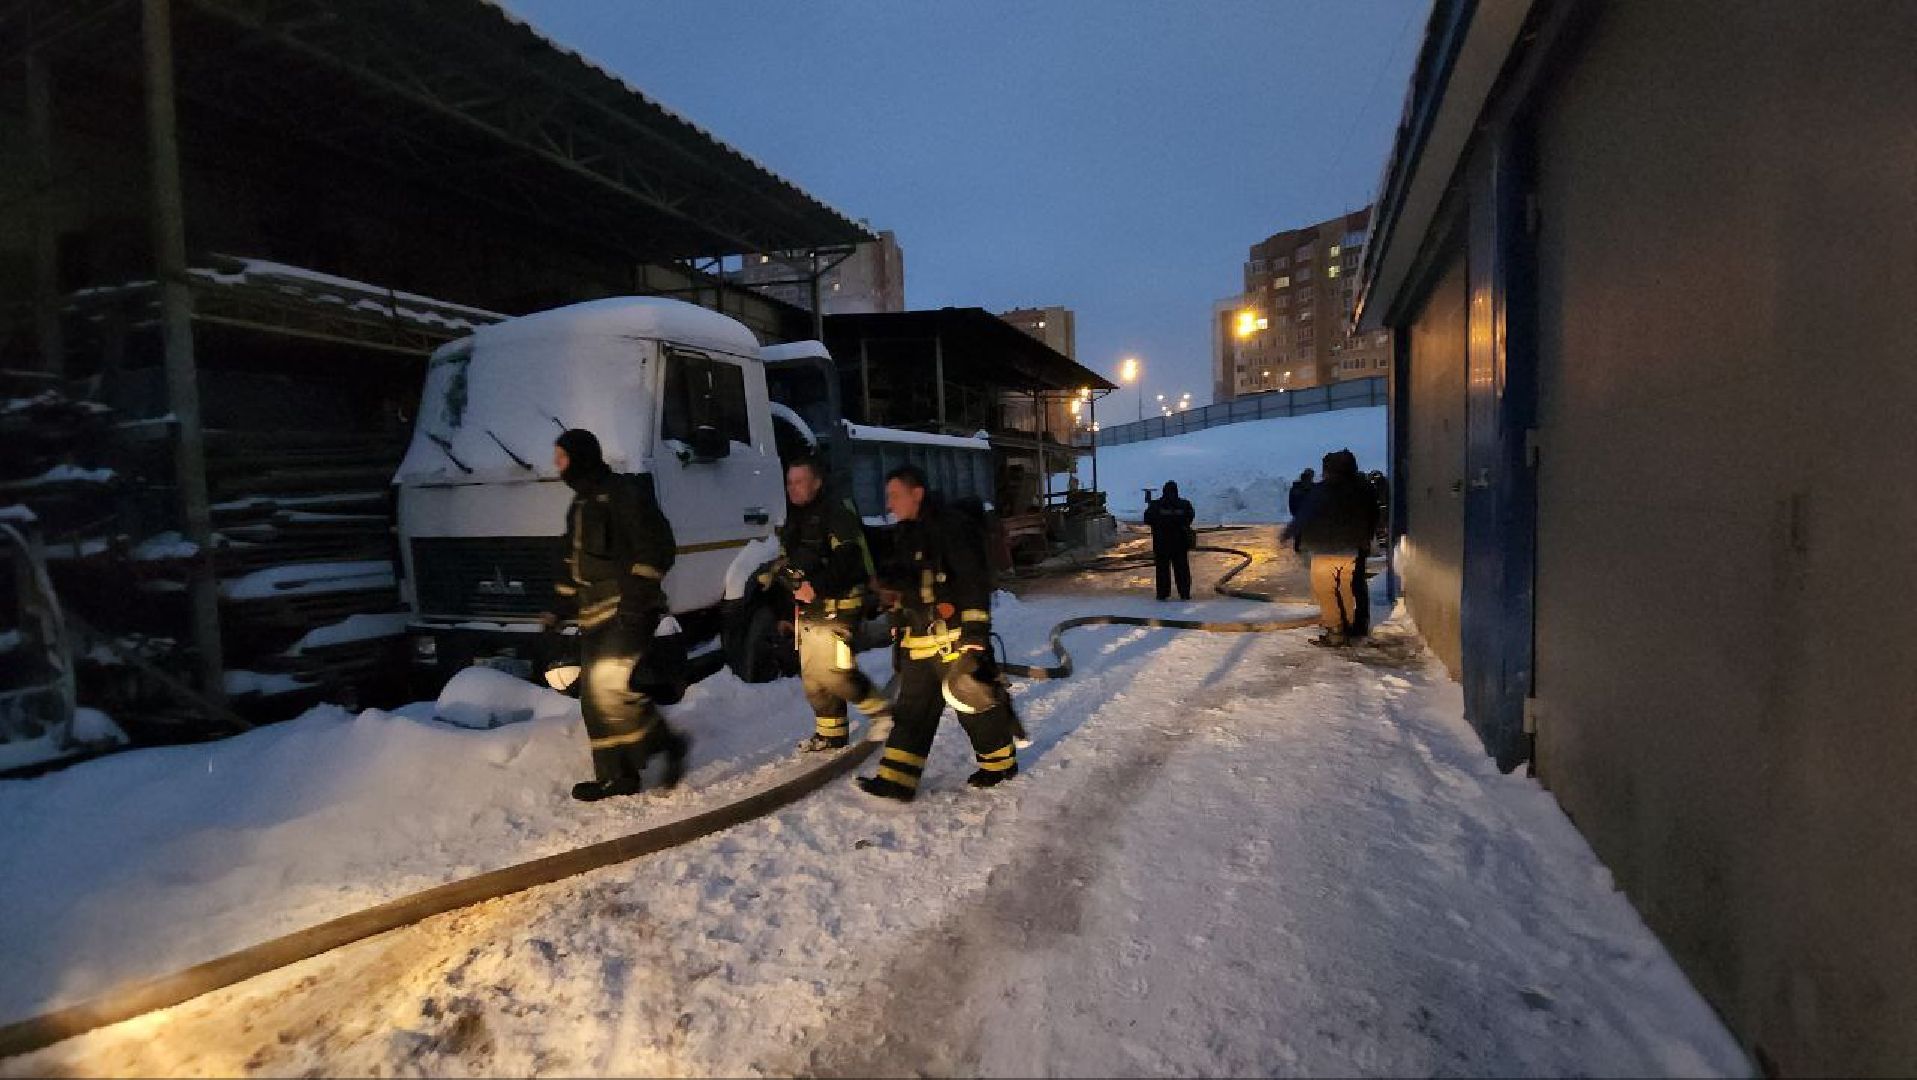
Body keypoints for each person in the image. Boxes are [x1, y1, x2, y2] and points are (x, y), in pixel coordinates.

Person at [857, 465, 1021, 803]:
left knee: (972, 704)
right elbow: (908, 578)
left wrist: (975, 635)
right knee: (912, 712)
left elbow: (973, 580)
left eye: (895, 495)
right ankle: (896, 780)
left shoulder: (952, 527)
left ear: (916, 494)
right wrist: (887, 590)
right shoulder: (906, 533)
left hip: (954, 639)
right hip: (917, 642)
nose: (890, 504)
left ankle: (1000, 764)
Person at [544, 428, 690, 801]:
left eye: (561, 457)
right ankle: (617, 777)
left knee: (610, 689)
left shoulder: (624, 493)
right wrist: (557, 610)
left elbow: (657, 549)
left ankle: (666, 744)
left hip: (626, 610)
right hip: (593, 616)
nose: (556, 465)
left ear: (580, 457)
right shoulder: (580, 504)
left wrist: (636, 605)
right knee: (593, 700)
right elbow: (570, 564)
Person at [776, 457, 893, 751]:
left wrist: (816, 587)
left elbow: (849, 560)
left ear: (816, 482)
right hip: (810, 609)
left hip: (838, 605)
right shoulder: (796, 519)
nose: (793, 488)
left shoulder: (836, 513)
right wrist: (786, 608)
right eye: (789, 483)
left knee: (835, 672)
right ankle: (832, 733)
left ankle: (882, 713)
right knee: (813, 679)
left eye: (799, 481)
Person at [1283, 448, 1379, 646]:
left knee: (1326, 590)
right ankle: (1351, 624)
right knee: (1347, 587)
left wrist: (1288, 534)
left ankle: (1335, 630)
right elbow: (1374, 516)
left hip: (1324, 550)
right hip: (1351, 549)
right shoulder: (1363, 489)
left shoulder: (1321, 490)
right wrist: (1365, 538)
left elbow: (1302, 513)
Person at [1142, 480, 1197, 601]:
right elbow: (1190, 517)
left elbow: (1147, 519)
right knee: (1182, 570)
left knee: (1162, 570)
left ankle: (1162, 593)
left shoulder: (1156, 505)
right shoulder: (1184, 504)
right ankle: (1184, 593)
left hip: (1161, 544)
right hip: (1180, 544)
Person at [1287, 468, 1317, 552]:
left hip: (1304, 513)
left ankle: (1302, 548)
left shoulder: (1309, 487)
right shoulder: (1299, 487)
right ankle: (1300, 548)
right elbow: (1292, 501)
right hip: (1301, 513)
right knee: (1300, 532)